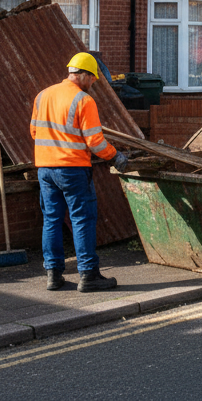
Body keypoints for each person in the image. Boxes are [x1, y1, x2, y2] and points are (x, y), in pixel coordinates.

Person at [31, 52, 130, 292]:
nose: (93, 83)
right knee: (82, 219)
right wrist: (115, 156)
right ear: (83, 75)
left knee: (51, 219)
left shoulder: (42, 95)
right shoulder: (83, 100)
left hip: (45, 169)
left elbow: (34, 132)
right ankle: (88, 275)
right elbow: (95, 142)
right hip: (73, 169)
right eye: (93, 79)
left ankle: (53, 275)